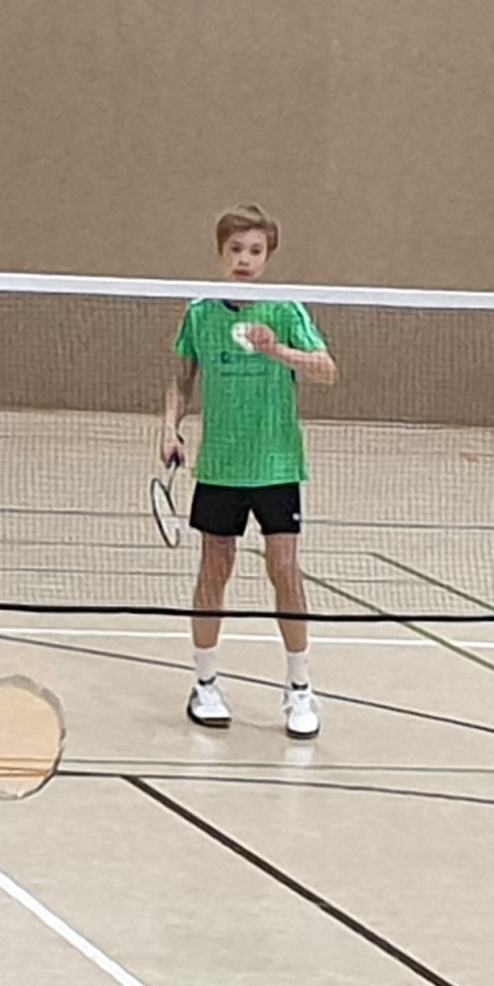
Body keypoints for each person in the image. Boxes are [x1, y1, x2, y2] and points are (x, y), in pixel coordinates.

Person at [159, 204, 338, 738]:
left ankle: (299, 689)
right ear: (222, 252)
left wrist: (276, 349)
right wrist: (169, 428)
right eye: (236, 249)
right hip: (220, 465)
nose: (244, 259)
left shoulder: (286, 310)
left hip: (277, 463)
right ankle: (205, 684)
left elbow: (327, 371)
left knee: (285, 570)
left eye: (255, 251)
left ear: (267, 256)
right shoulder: (200, 312)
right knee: (215, 571)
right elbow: (181, 381)